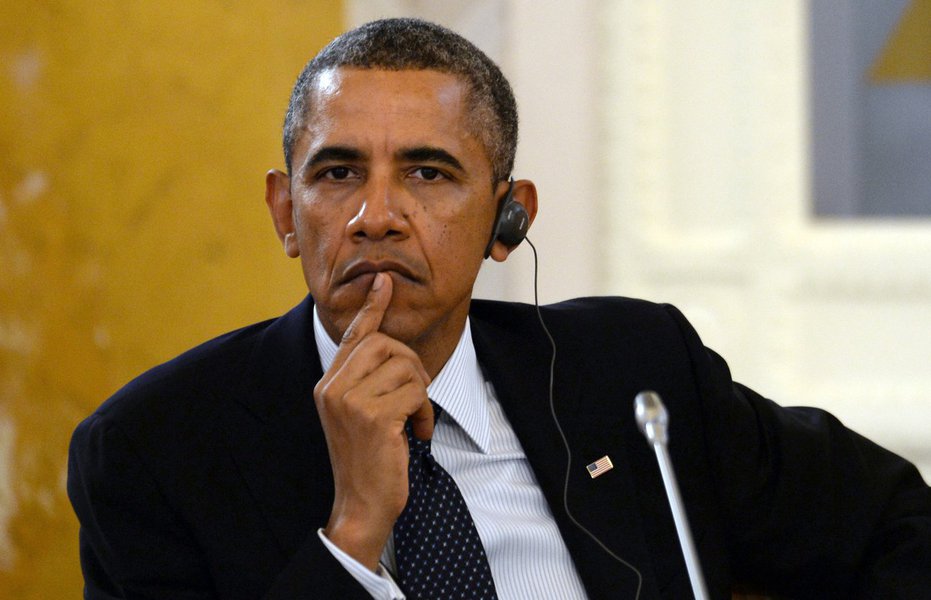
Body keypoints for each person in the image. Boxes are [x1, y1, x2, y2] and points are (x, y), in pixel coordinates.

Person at [68, 17, 931, 600]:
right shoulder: (154, 451)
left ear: (506, 218)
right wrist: (355, 530)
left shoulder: (632, 373)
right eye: (337, 174)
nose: (375, 215)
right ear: (286, 213)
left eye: (427, 173)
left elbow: (898, 528)